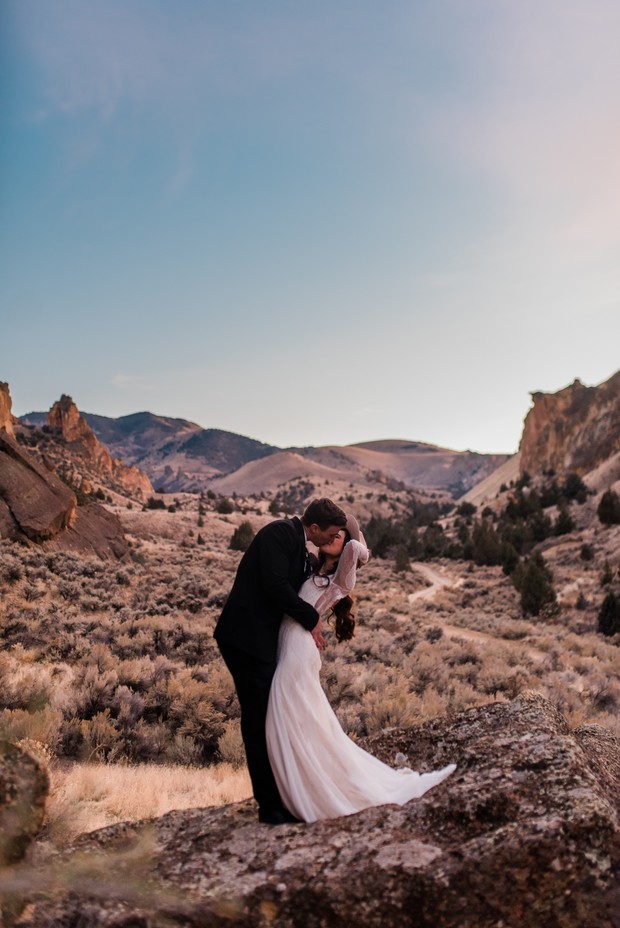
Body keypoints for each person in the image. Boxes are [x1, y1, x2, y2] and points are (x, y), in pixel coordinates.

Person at [266, 514, 456, 822]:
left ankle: (314, 789)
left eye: (337, 538)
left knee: (294, 715)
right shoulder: (313, 568)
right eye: (329, 535)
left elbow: (355, 542)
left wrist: (348, 530)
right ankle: (304, 783)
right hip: (288, 644)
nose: (331, 539)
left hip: (299, 651)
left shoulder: (342, 577)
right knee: (306, 721)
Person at [214, 497, 348, 825]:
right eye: (330, 534)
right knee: (258, 722)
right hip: (245, 640)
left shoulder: (302, 548)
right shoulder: (278, 534)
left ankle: (282, 797)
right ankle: (270, 807)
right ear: (313, 527)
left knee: (270, 717)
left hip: (263, 643)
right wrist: (310, 618)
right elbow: (274, 586)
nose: (332, 540)